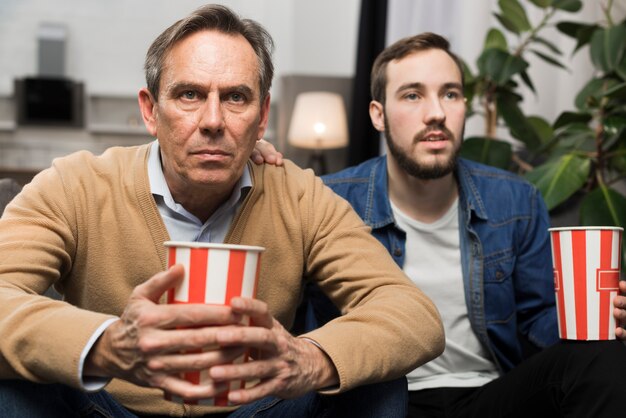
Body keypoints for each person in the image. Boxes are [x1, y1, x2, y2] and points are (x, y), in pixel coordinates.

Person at [0, 6, 445, 417]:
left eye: (236, 98)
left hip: (257, 408)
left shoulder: (298, 194)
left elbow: (411, 314)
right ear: (150, 110)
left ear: (263, 113)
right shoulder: (76, 184)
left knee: (378, 384)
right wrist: (107, 347)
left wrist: (307, 359)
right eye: (190, 95)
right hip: (107, 407)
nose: (213, 120)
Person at [285, 32, 626, 417]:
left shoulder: (516, 200)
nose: (436, 113)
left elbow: (538, 320)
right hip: (378, 399)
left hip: (487, 396)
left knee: (600, 352)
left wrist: (604, 321)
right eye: (412, 95)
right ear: (378, 115)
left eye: (450, 94)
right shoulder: (327, 200)